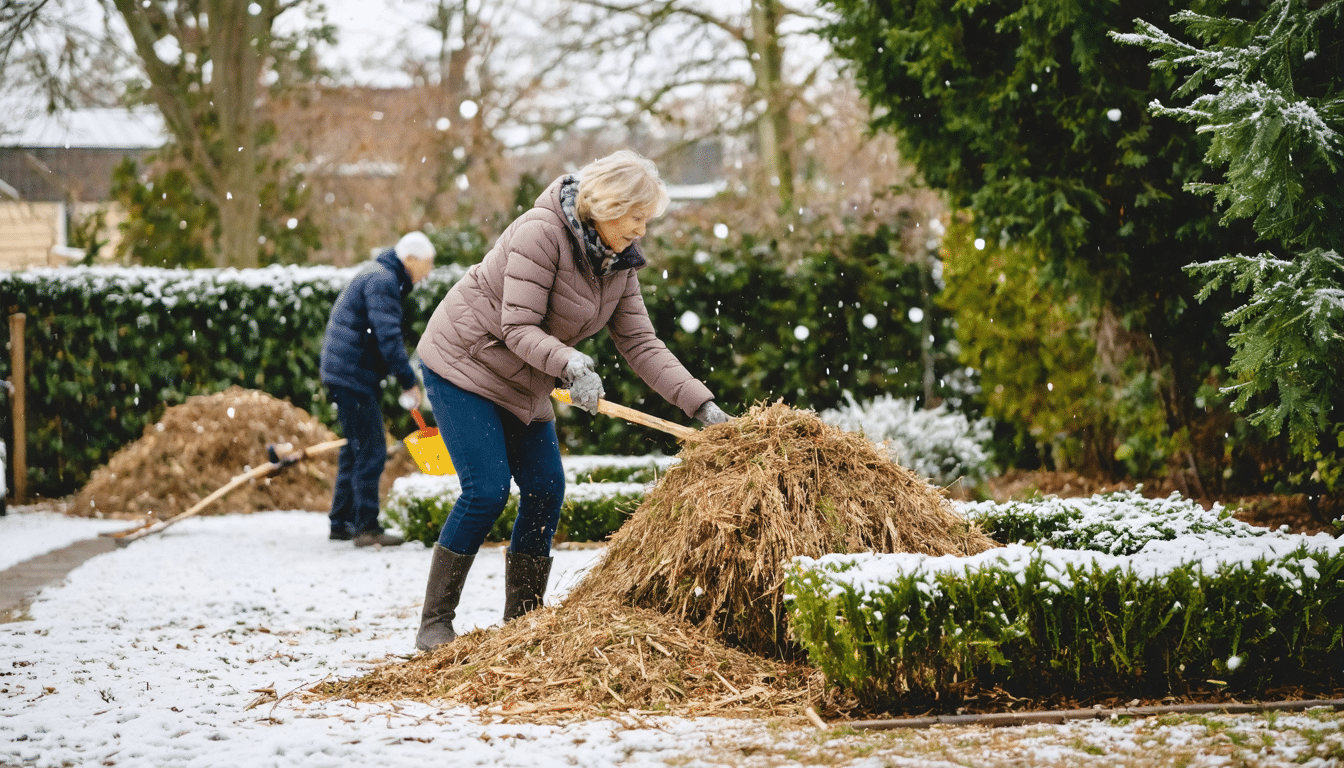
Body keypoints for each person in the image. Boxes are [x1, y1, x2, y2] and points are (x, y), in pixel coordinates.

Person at [412, 150, 730, 651]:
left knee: (545, 488)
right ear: (607, 204)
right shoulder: (540, 232)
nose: (642, 231)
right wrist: (571, 363)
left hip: (526, 379)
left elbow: (642, 344)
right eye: (637, 217)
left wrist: (702, 406)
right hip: (466, 363)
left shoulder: (618, 265)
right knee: (487, 490)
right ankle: (435, 624)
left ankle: (522, 624)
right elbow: (516, 325)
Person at [320, 231, 436, 547]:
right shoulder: (383, 280)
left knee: (355, 448)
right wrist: (409, 381)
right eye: (427, 265)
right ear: (409, 259)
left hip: (345, 371)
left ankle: (341, 521)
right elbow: (388, 337)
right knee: (372, 448)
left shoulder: (379, 274)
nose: (427, 273)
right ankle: (366, 527)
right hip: (351, 374)